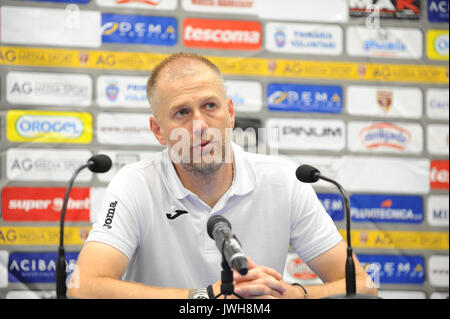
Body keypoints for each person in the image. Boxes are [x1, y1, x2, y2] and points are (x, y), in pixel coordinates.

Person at [67, 52, 377, 299]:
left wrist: (296, 295)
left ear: (230, 113)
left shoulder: (285, 181)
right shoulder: (135, 184)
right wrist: (203, 298)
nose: (200, 124)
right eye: (182, 113)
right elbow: (84, 287)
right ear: (158, 131)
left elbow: (363, 286)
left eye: (210, 106)